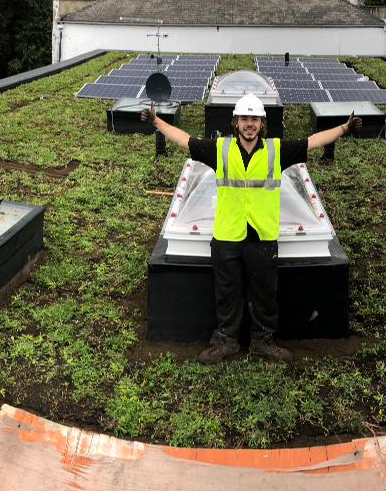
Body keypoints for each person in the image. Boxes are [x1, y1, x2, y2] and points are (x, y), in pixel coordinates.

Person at [145, 95, 359, 363]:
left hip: (262, 235)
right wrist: (157, 122)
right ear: (236, 122)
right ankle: (226, 340)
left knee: (265, 293)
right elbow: (184, 140)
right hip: (227, 235)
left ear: (261, 124)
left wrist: (344, 128)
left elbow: (312, 142)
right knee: (226, 292)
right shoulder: (220, 149)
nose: (249, 124)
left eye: (254, 119)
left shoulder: (276, 150)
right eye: (245, 119)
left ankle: (263, 341)